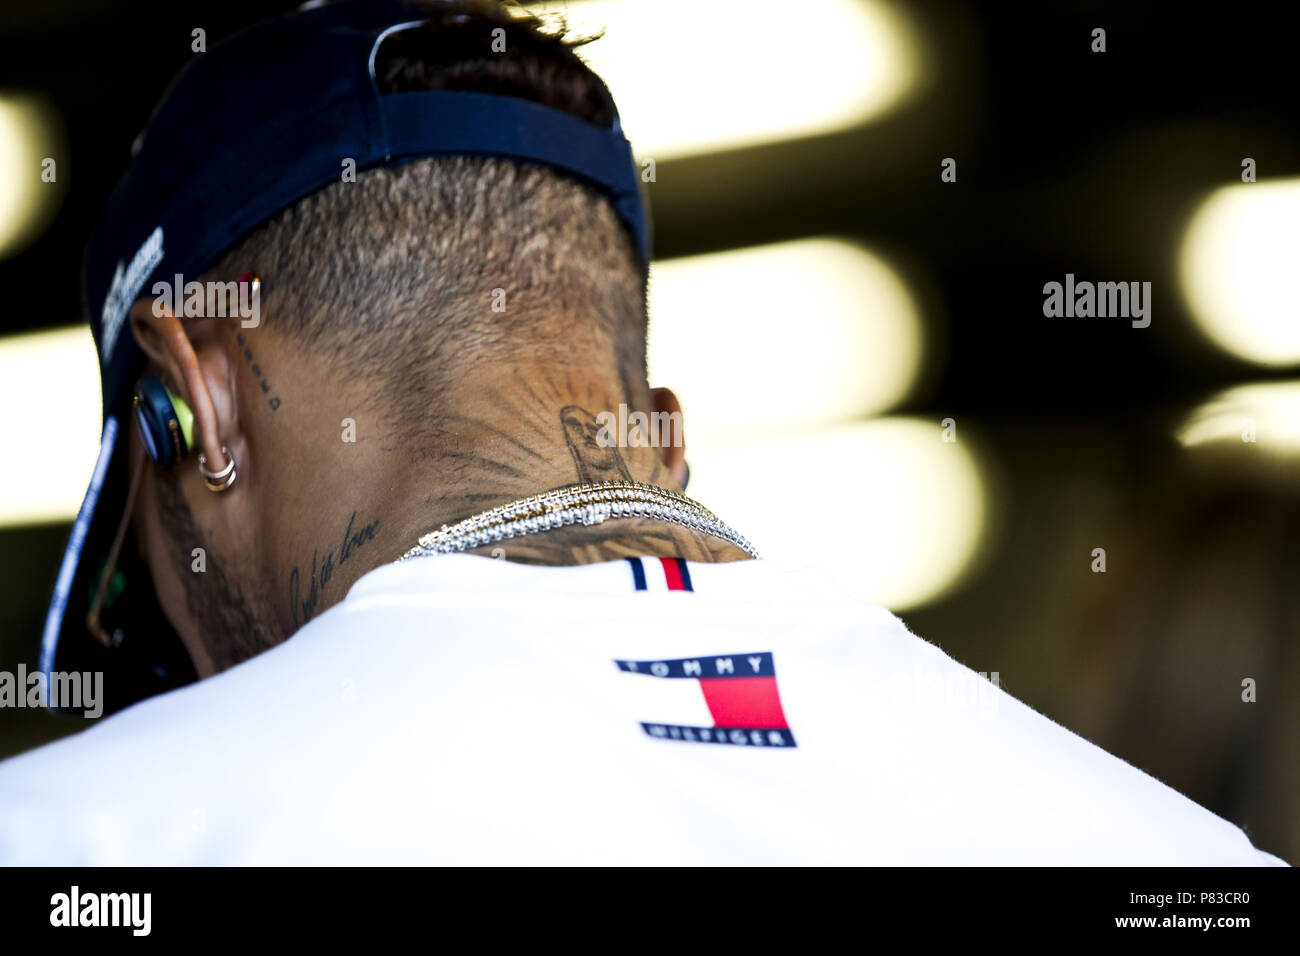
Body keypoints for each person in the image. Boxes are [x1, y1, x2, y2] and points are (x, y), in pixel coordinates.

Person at [0, 0, 1286, 865]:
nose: (168, 626)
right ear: (661, 437)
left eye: (143, 563)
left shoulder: (80, 840)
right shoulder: (1167, 855)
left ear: (198, 405)